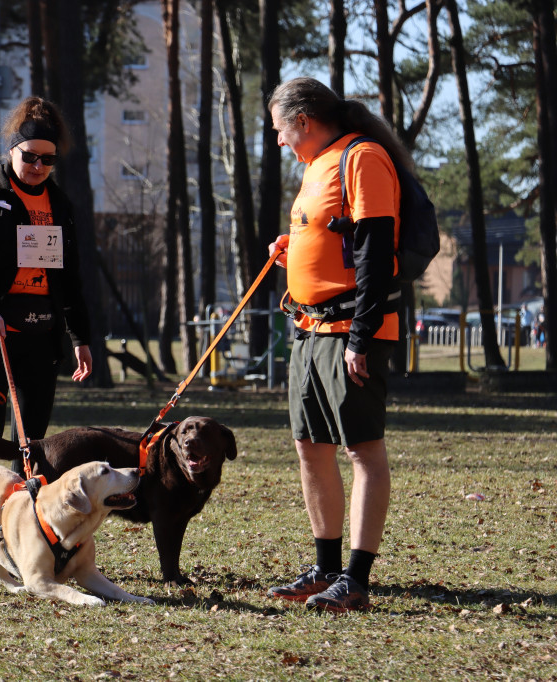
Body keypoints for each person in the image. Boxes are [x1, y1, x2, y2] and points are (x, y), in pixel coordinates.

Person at [264, 77, 407, 612]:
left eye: (280, 129)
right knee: (310, 446)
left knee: (362, 449)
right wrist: (297, 245)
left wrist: (361, 338)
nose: (279, 140)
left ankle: (356, 578)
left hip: (352, 331)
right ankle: (325, 568)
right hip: (309, 329)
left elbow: (375, 252)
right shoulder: (316, 165)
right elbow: (335, 237)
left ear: (302, 120)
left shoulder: (362, 157)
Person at [0, 96, 93, 576]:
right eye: (29, 156)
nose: (37, 166)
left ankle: (21, 539)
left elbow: (69, 279)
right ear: (11, 150)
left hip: (40, 336)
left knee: (31, 445)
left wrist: (79, 337)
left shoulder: (60, 205)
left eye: (47, 160)